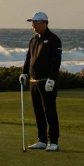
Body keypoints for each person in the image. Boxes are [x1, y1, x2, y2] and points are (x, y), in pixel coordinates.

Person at [20, 12, 63, 152]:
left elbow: (56, 62)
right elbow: (29, 59)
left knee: (49, 110)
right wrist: (24, 73)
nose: (33, 26)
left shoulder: (53, 40)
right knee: (38, 111)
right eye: (32, 23)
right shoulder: (33, 40)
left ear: (44, 23)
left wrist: (52, 78)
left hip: (47, 81)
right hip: (34, 81)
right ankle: (42, 140)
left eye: (36, 23)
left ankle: (54, 141)